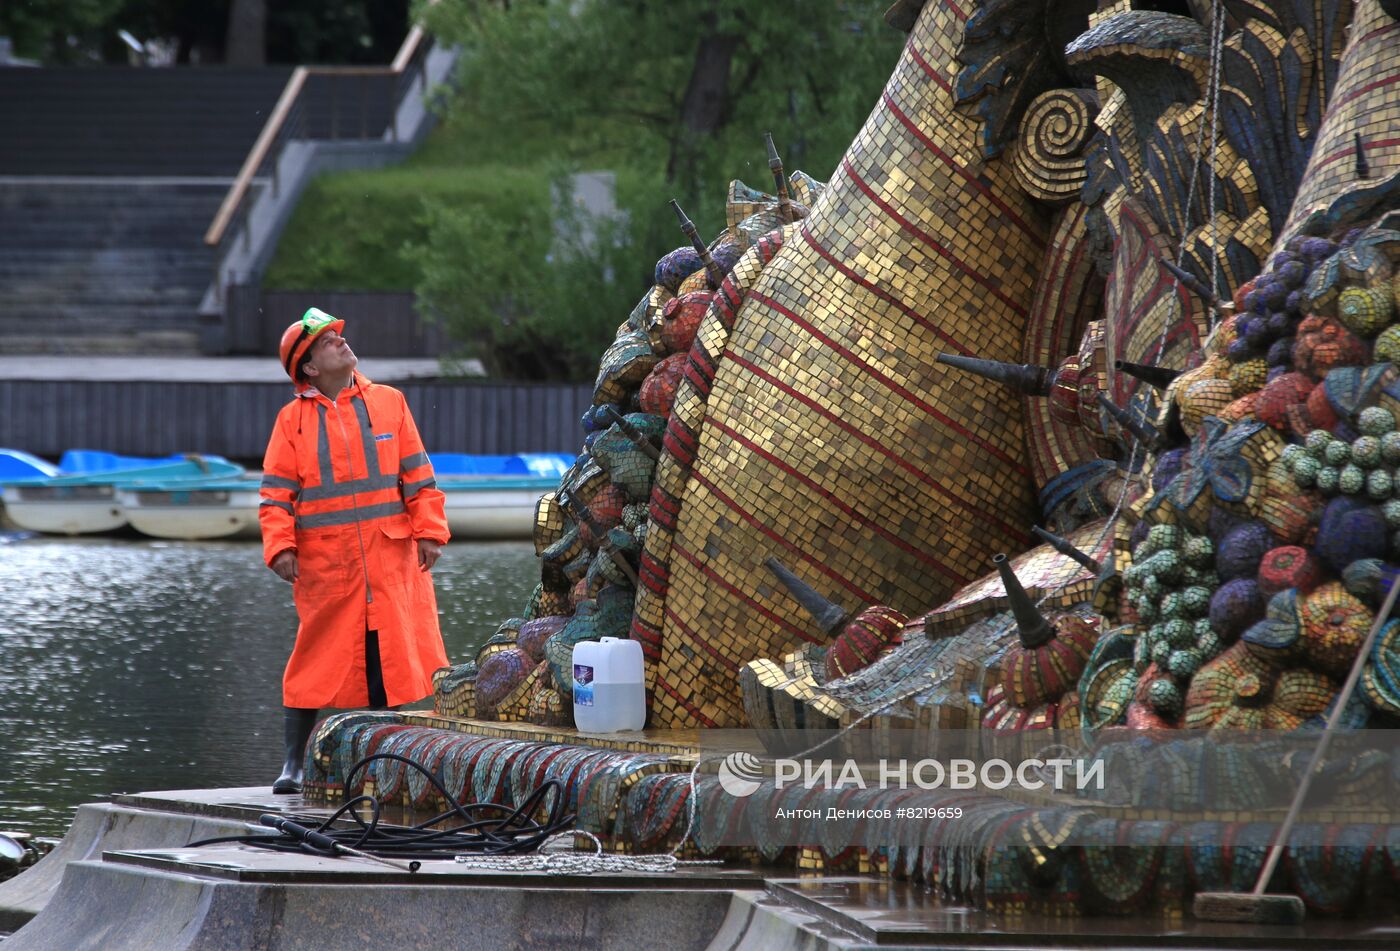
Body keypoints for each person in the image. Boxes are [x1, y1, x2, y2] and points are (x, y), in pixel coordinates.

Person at [259, 307, 450, 794]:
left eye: (339, 337)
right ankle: (293, 765)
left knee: (387, 655)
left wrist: (430, 531)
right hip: (328, 565)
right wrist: (279, 547)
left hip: (390, 559)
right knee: (314, 660)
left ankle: (382, 758)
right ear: (309, 368)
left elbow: (420, 479)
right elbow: (275, 497)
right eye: (328, 342)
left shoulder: (389, 402)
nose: (341, 343)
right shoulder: (291, 422)